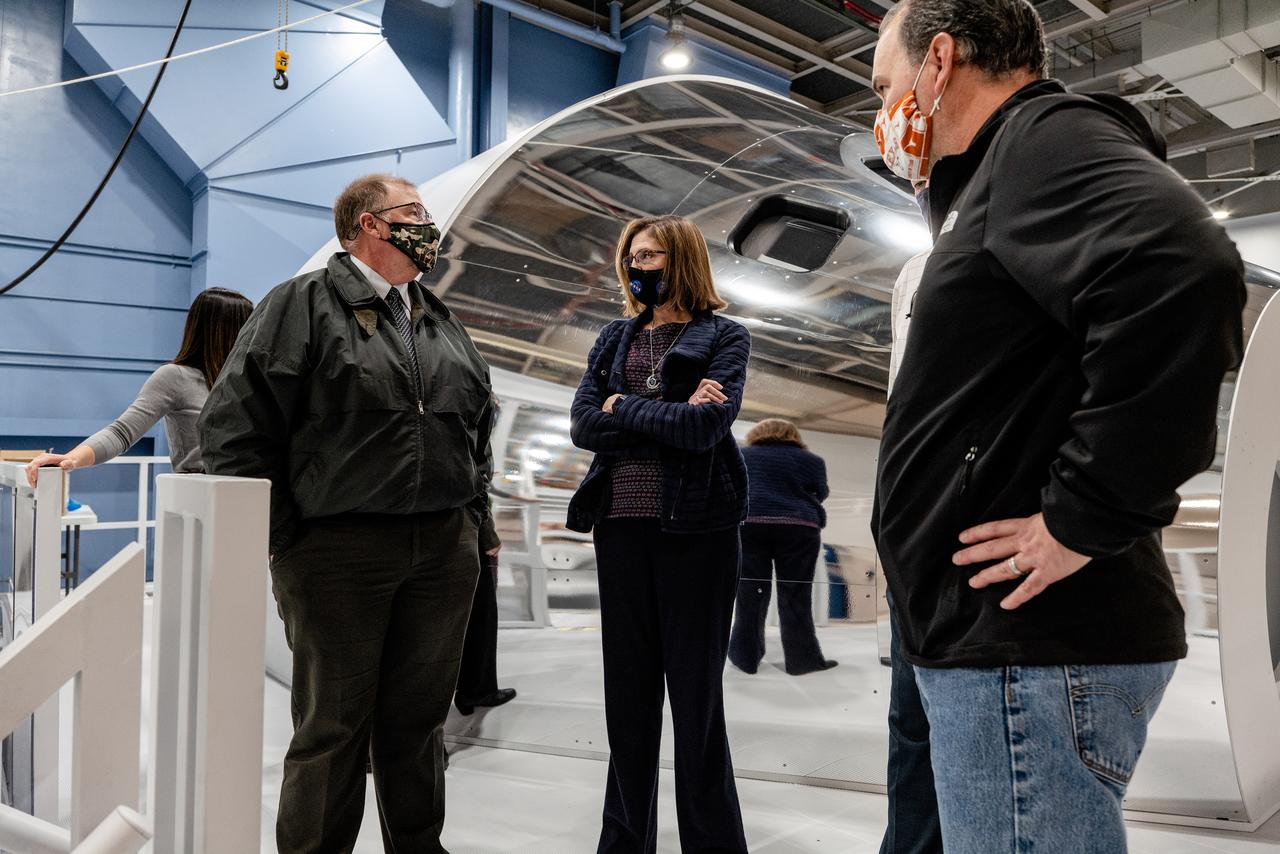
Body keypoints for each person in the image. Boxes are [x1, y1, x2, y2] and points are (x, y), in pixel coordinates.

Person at [869, 2, 1246, 852]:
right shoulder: (993, 180)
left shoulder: (1040, 140)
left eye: (884, 87)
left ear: (939, 61)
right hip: (992, 644)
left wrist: (1083, 516)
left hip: (1029, 650)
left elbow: (1182, 265)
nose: (883, 114)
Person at [199, 173, 496, 853]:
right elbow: (233, 428)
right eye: (414, 213)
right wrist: (287, 541)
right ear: (368, 224)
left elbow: (475, 431)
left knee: (420, 726)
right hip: (338, 552)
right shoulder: (301, 303)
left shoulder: (436, 317)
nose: (430, 226)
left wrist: (470, 525)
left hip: (441, 551)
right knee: (333, 729)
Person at [566, 214, 751, 854]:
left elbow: (706, 430)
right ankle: (623, 843)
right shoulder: (614, 336)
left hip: (698, 532)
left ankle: (713, 842)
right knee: (629, 696)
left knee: (696, 699)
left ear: (684, 263)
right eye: (633, 257)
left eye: (653, 257)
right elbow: (584, 426)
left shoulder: (725, 336)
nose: (640, 268)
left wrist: (625, 406)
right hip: (620, 528)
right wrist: (665, 414)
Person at [24, 287, 252, 486]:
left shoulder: (246, 382)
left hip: (252, 494)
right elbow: (121, 432)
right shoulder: (175, 377)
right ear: (227, 332)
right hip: (201, 497)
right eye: (249, 326)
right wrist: (71, 458)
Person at [727, 418, 836, 676]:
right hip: (798, 528)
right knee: (796, 596)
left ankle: (746, 659)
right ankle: (802, 661)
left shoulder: (742, 455)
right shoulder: (813, 461)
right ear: (793, 434)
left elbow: (732, 487)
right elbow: (820, 492)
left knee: (749, 593)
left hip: (750, 525)